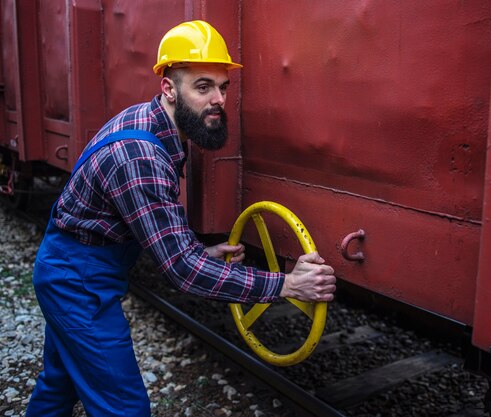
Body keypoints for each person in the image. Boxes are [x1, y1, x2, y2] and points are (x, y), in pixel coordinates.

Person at [26, 20, 336, 417]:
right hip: (76, 280)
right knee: (125, 408)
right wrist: (287, 284)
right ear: (169, 89)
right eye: (202, 86)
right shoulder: (142, 155)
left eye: (223, 87)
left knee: (58, 384)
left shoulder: (155, 123)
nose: (219, 99)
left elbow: (152, 225)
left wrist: (198, 249)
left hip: (77, 264)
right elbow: (182, 273)